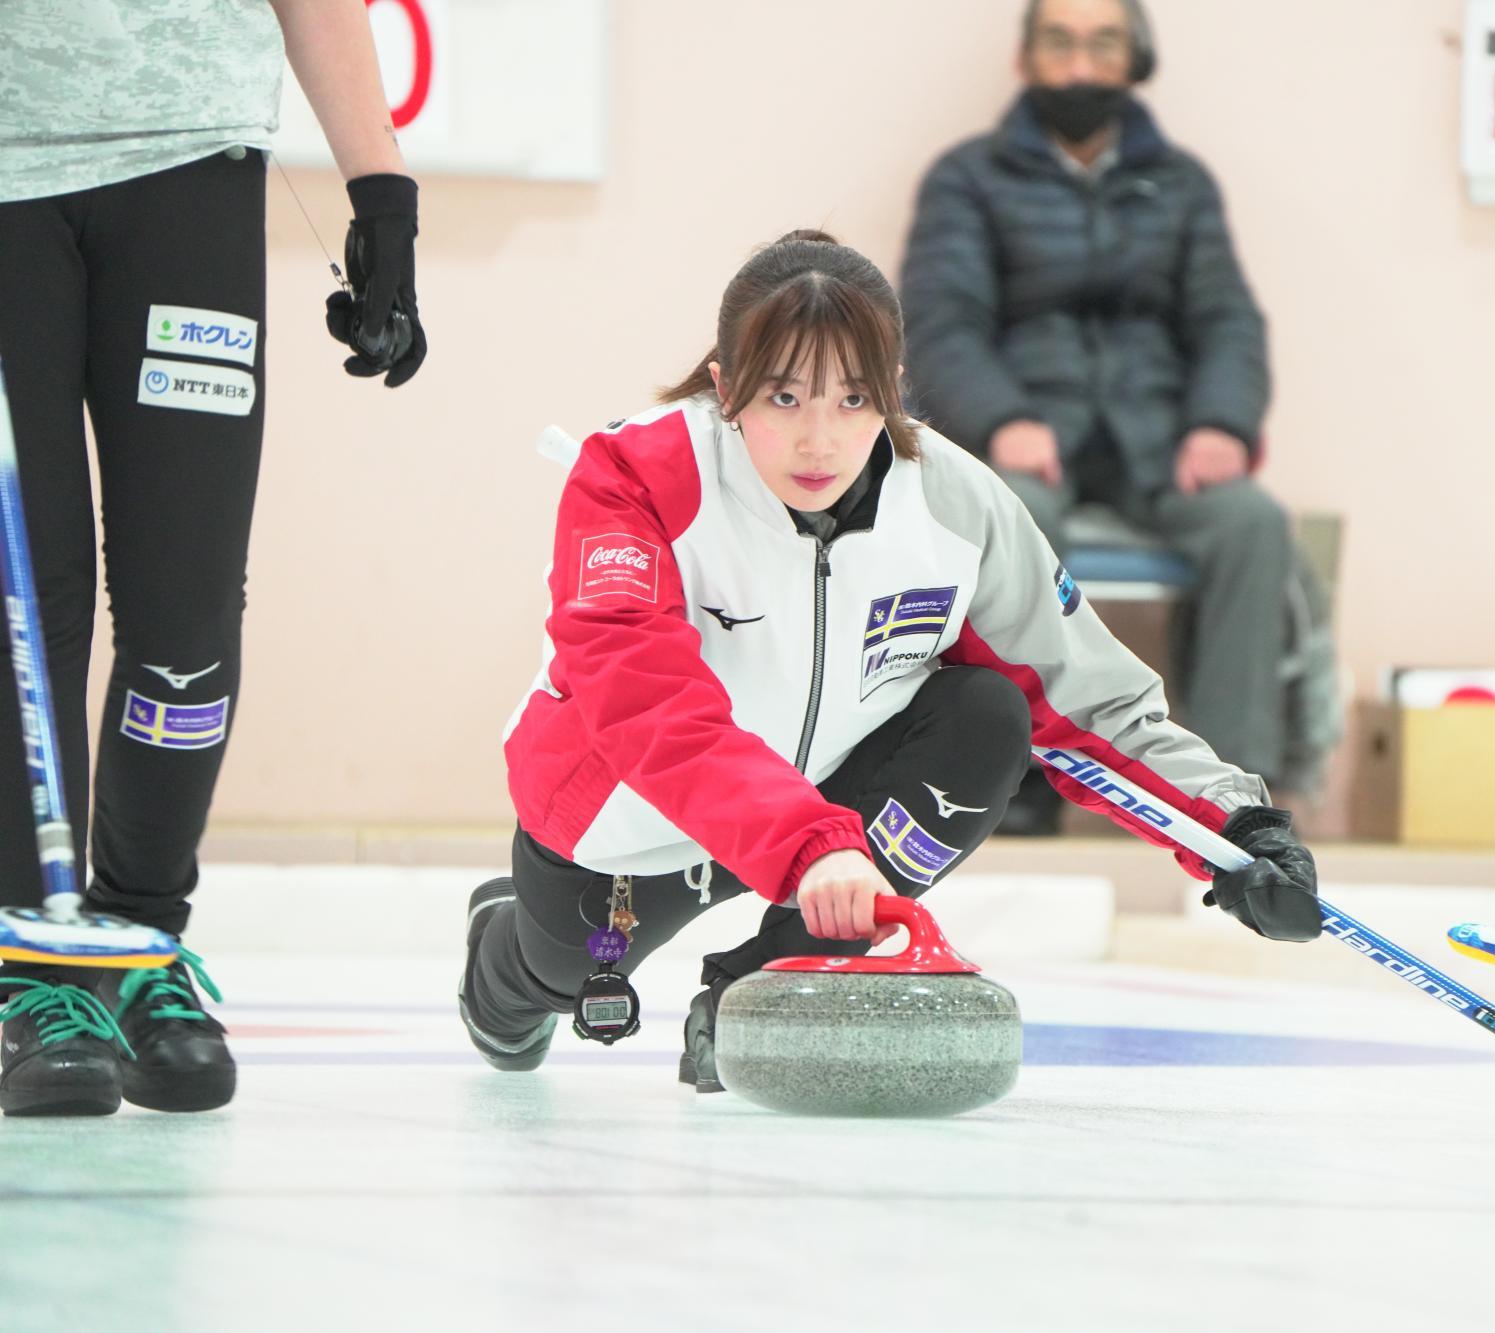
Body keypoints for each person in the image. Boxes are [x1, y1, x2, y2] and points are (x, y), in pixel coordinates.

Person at [458, 231, 1322, 1092]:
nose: (819, 441)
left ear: (895, 394)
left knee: (988, 716)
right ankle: (502, 956)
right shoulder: (634, 478)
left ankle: (763, 993)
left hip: (822, 834)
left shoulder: (956, 505)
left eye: (854, 399)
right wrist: (809, 845)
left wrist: (1234, 832)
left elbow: (1083, 694)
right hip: (629, 826)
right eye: (783, 397)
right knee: (547, 982)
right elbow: (644, 706)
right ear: (726, 387)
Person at [0, 0, 429, 1118]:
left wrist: (380, 190)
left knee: (185, 610)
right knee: (22, 609)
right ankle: (31, 966)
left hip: (189, 157)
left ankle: (141, 940)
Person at [899, 0, 1288, 834]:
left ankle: (1233, 804)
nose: (1079, 66)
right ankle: (1017, 780)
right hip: (1028, 442)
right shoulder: (967, 178)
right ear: (1025, 59)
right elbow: (940, 324)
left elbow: (1227, 321)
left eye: (1102, 43)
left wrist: (1220, 422)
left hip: (1160, 441)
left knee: (1253, 522)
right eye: (1060, 43)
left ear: (1133, 61)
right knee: (1016, 524)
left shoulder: (1182, 184)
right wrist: (1001, 418)